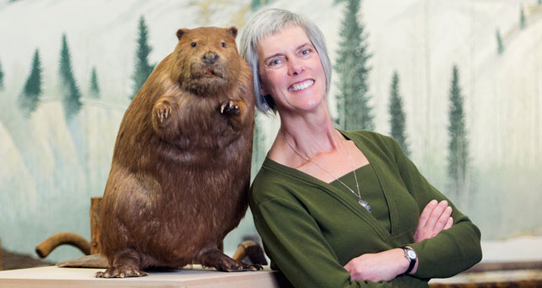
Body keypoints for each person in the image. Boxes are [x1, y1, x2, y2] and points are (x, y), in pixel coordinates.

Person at [239, 8, 482, 288]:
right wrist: (426, 259)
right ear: (262, 84)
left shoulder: (380, 148)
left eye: (304, 52)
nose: (296, 67)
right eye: (276, 61)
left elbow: (468, 240)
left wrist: (404, 258)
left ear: (321, 58)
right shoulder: (273, 193)